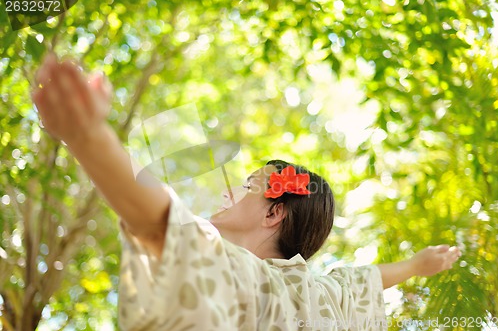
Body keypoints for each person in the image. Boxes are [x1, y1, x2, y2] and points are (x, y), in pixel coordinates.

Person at [32, 54, 461, 330]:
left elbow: (160, 218)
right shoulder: (330, 296)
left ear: (274, 213)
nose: (228, 191)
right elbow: (366, 280)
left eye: (249, 184)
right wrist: (417, 266)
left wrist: (87, 136)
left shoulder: (237, 273)